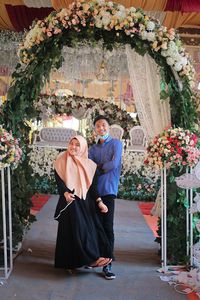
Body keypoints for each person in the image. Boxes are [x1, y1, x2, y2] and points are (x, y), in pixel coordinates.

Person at [54, 135, 112, 272]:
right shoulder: (61, 160)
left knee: (90, 229)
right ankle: (90, 259)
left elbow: (93, 188)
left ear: (83, 147)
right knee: (78, 229)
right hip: (69, 201)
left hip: (85, 201)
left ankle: (87, 259)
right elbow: (59, 182)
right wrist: (65, 193)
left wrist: (100, 202)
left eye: (77, 144)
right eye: (71, 143)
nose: (73, 147)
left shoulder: (90, 165)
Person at [89, 115, 123, 280]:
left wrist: (99, 168)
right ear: (94, 129)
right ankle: (95, 257)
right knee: (94, 225)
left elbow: (114, 164)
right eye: (97, 126)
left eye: (103, 125)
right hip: (94, 191)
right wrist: (101, 167)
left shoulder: (116, 143)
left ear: (109, 127)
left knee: (107, 226)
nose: (101, 128)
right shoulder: (93, 149)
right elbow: (89, 166)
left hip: (108, 189)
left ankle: (108, 262)